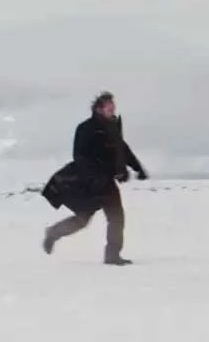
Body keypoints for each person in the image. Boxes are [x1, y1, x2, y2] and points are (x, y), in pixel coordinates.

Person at [41, 91, 147, 264]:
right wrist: (95, 177)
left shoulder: (112, 129)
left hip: (106, 181)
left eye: (114, 107)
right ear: (99, 109)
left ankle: (112, 255)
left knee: (116, 217)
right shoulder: (85, 128)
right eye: (109, 107)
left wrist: (138, 168)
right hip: (88, 182)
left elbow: (123, 150)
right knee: (83, 219)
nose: (113, 109)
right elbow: (79, 156)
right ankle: (53, 233)